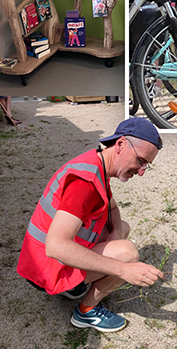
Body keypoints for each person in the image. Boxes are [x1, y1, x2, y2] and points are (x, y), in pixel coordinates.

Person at [16, 117, 164, 332]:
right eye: (140, 161)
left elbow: (112, 208)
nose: (141, 171)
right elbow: (56, 246)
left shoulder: (96, 163)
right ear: (121, 145)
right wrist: (123, 269)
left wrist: (114, 235)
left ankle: (76, 284)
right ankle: (85, 311)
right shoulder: (85, 184)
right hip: (46, 268)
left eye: (146, 166)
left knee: (121, 228)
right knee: (128, 254)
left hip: (41, 259)